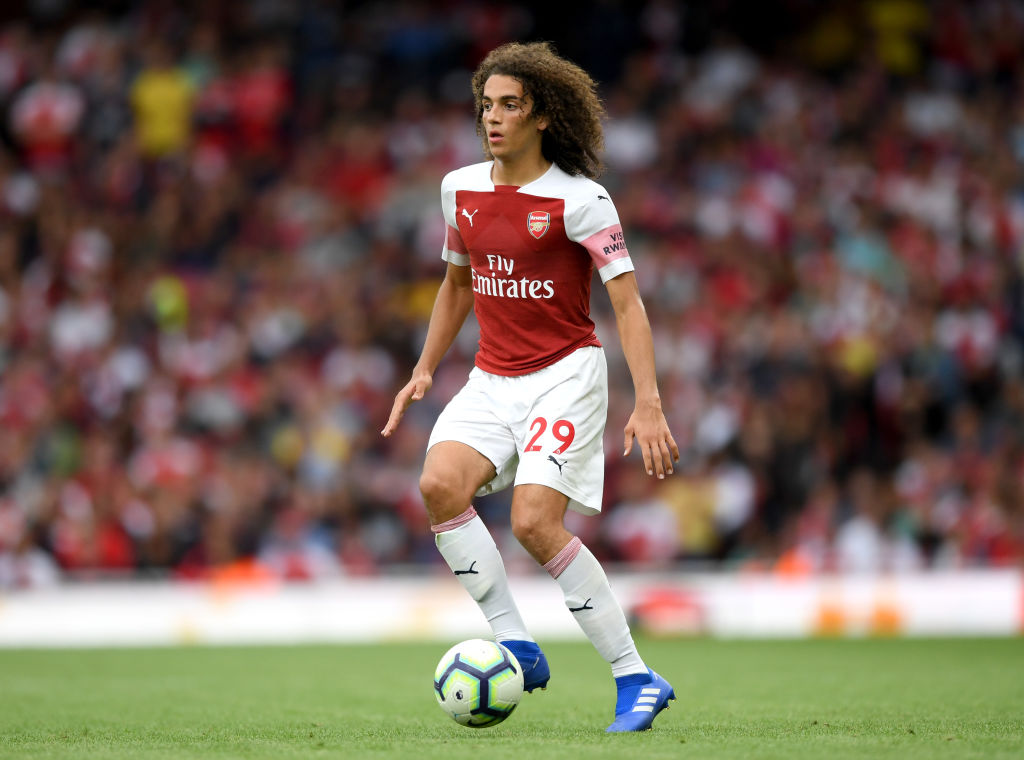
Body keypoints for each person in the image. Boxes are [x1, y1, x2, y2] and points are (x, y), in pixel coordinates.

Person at [381, 41, 679, 732]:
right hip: (492, 376)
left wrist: (649, 401)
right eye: (486, 105)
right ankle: (516, 642)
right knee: (438, 485)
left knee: (534, 524)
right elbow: (457, 284)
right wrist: (424, 367)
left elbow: (628, 303)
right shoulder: (459, 189)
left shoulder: (581, 200)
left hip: (565, 374)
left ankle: (636, 676)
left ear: (541, 116)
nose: (492, 117)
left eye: (509, 105)